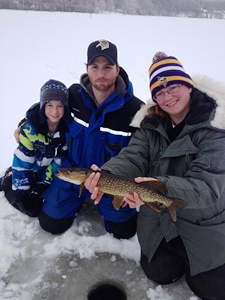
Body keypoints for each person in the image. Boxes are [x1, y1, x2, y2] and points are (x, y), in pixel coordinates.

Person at [84, 52, 225, 300]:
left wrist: (159, 187)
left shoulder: (215, 128)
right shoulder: (151, 124)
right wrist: (107, 175)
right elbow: (134, 156)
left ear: (188, 85)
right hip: (160, 215)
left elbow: (207, 187)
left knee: (213, 289)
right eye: (159, 93)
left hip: (204, 218)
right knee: (159, 273)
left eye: (173, 87)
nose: (167, 97)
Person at [29, 40, 143, 237]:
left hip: (111, 183)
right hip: (72, 175)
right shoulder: (73, 95)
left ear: (117, 69)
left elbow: (141, 154)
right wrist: (27, 123)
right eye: (95, 67)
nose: (101, 73)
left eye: (107, 67)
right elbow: (46, 108)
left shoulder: (135, 111)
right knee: (51, 224)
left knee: (124, 232)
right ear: (87, 69)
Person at [0, 79, 71, 217]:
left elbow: (59, 160)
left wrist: (44, 182)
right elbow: (23, 161)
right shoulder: (30, 130)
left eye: (60, 106)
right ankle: (8, 179)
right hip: (29, 168)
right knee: (27, 206)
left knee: (40, 206)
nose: (55, 111)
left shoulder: (66, 131)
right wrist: (22, 191)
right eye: (50, 105)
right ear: (42, 105)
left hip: (44, 171)